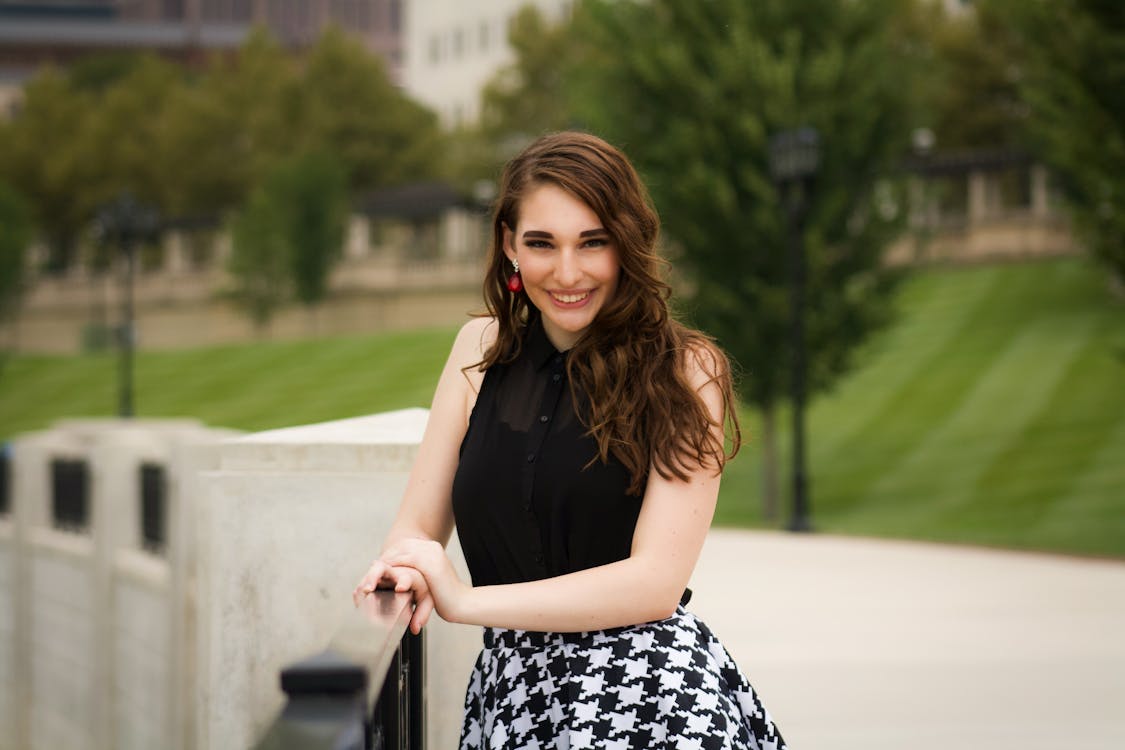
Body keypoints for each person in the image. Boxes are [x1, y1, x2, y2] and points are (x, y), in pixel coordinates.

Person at [354, 131, 786, 749]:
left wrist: (464, 601)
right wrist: (402, 569)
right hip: (513, 696)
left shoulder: (687, 372)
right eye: (541, 243)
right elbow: (414, 532)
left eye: (593, 242)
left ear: (626, 243)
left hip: (651, 696)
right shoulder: (477, 351)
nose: (567, 272)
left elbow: (655, 583)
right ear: (508, 246)